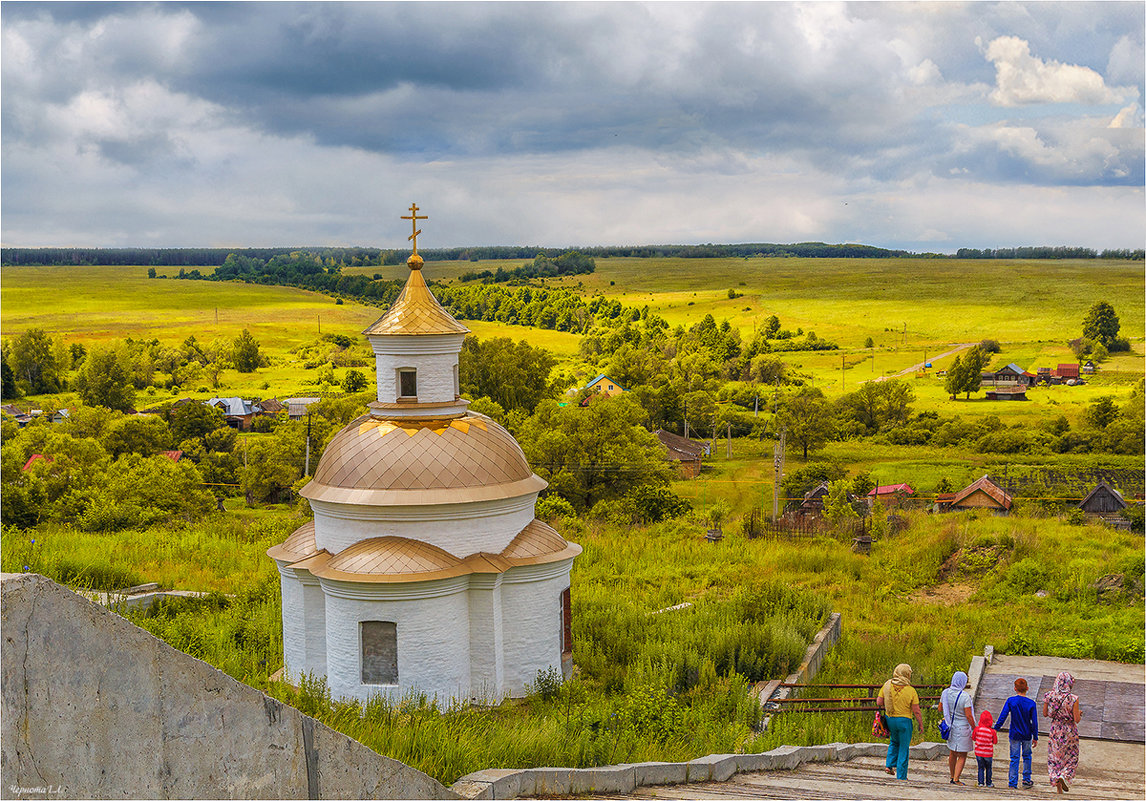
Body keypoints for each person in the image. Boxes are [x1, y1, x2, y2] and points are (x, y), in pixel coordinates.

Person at [876, 663, 924, 780]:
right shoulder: (910, 690)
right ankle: (901, 776)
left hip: (890, 719)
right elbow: (916, 710)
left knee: (894, 741)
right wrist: (921, 724)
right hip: (904, 721)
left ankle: (889, 765)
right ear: (907, 674)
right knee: (903, 747)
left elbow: (879, 702)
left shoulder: (887, 685)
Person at [995, 677, 1039, 789]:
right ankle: (1026, 780)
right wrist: (1035, 736)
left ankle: (1012, 783)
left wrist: (996, 728)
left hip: (1014, 733)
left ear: (1015, 689)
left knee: (1014, 758)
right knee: (1027, 756)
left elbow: (1003, 715)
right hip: (1027, 734)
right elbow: (1034, 721)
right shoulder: (1031, 704)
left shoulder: (1011, 701)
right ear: (1027, 688)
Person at [1044, 671, 1081, 793]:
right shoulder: (1073, 699)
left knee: (1056, 758)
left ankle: (1058, 787)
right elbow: (1076, 719)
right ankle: (1064, 776)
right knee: (1071, 757)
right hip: (1069, 731)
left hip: (1055, 730)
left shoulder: (1049, 696)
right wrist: (1079, 713)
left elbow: (1045, 714)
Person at [941, 670, 976, 785]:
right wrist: (974, 727)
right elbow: (968, 715)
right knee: (962, 755)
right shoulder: (965, 697)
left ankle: (952, 776)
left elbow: (940, 708)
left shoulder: (945, 693)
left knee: (952, 753)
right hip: (963, 728)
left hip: (950, 727)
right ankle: (956, 779)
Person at [972, 709, 998, 787]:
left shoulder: (977, 729)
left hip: (979, 753)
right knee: (989, 768)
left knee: (980, 768)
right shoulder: (992, 731)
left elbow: (973, 738)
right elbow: (995, 741)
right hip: (988, 754)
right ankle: (989, 783)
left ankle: (980, 783)